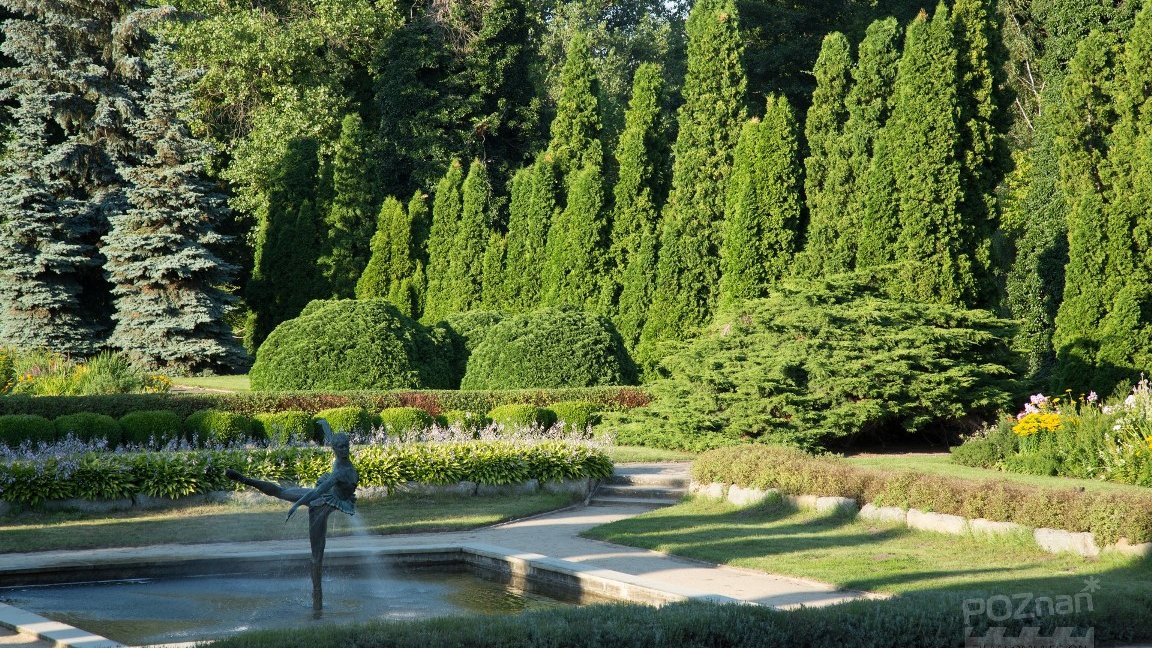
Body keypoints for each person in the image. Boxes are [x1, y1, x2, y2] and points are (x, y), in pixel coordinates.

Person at [224, 419, 358, 610]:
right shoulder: (338, 455)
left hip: (325, 503)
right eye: (341, 447)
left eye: (346, 446)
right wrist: (326, 426)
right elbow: (331, 440)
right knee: (280, 491)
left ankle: (317, 595)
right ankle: (244, 479)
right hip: (326, 493)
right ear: (335, 449)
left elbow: (316, 494)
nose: (345, 450)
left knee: (316, 555)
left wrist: (296, 505)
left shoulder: (344, 472)